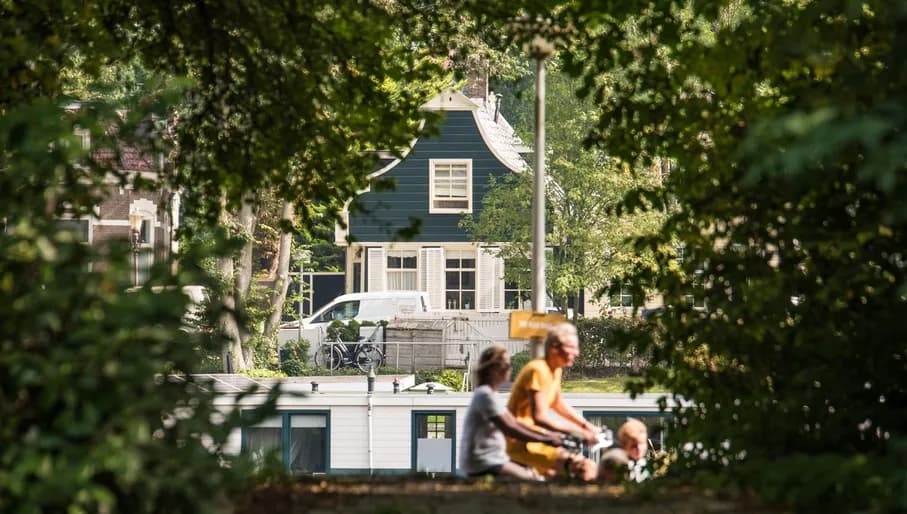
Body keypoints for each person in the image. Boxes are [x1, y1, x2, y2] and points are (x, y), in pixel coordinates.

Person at [506, 323, 600, 480]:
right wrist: (579, 433)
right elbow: (540, 417)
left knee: (559, 475)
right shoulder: (538, 370)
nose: (577, 353)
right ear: (554, 348)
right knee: (583, 467)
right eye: (572, 348)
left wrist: (586, 426)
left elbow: (557, 402)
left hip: (536, 438)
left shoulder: (555, 369)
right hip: (521, 442)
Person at [460, 345, 564, 479]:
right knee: (534, 480)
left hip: (492, 459)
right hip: (484, 462)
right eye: (507, 365)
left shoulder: (491, 395)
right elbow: (510, 428)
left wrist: (548, 434)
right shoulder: (485, 395)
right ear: (494, 369)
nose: (510, 368)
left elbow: (515, 422)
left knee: (535, 471)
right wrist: (546, 439)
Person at [616, 417, 651, 482]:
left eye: (642, 443)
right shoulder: (618, 466)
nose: (639, 449)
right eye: (633, 446)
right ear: (624, 446)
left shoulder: (650, 465)